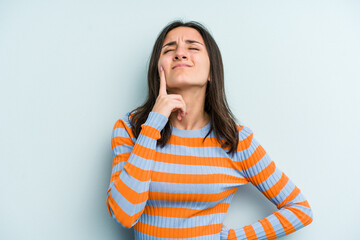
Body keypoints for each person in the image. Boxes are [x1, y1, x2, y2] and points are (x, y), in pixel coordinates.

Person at [106, 20, 313, 239]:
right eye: (169, 49)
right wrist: (153, 124)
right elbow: (123, 215)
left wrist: (232, 238)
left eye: (193, 48)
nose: (180, 54)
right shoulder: (130, 129)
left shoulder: (236, 140)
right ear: (158, 71)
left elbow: (300, 209)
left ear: (211, 73)